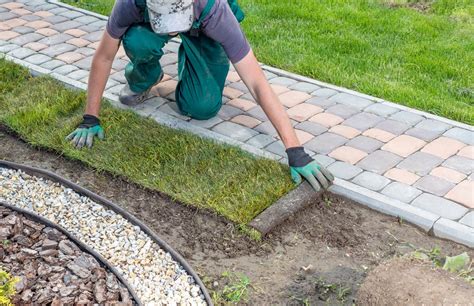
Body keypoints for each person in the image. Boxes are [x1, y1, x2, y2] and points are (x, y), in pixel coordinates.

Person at [66, 0, 334, 191]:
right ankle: (147, 77)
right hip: (152, 23)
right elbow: (103, 56)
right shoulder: (130, 3)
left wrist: (295, 150)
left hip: (204, 27)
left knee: (202, 106)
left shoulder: (214, 10)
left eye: (175, 26)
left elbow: (256, 82)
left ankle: (194, 61)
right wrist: (91, 117)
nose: (172, 32)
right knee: (137, 40)